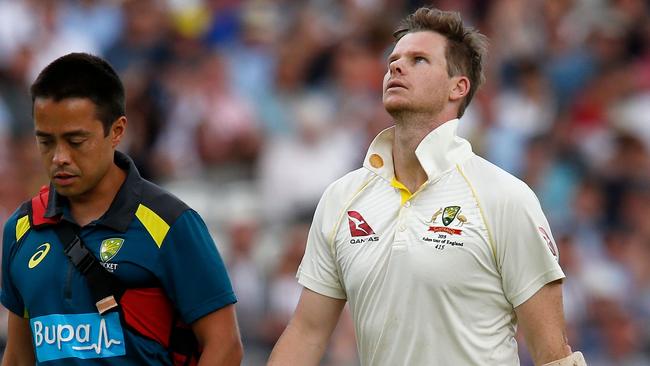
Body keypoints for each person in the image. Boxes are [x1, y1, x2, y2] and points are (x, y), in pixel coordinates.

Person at [268, 7, 586, 366]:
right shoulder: (342, 198)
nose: (396, 67)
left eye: (418, 60)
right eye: (393, 60)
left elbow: (552, 354)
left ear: (458, 86)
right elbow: (306, 333)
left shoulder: (505, 197)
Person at [0, 53, 243, 365]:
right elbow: (19, 357)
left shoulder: (170, 224)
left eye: (76, 141)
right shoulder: (21, 228)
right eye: (46, 142)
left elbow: (225, 347)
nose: (59, 157)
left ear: (116, 131)